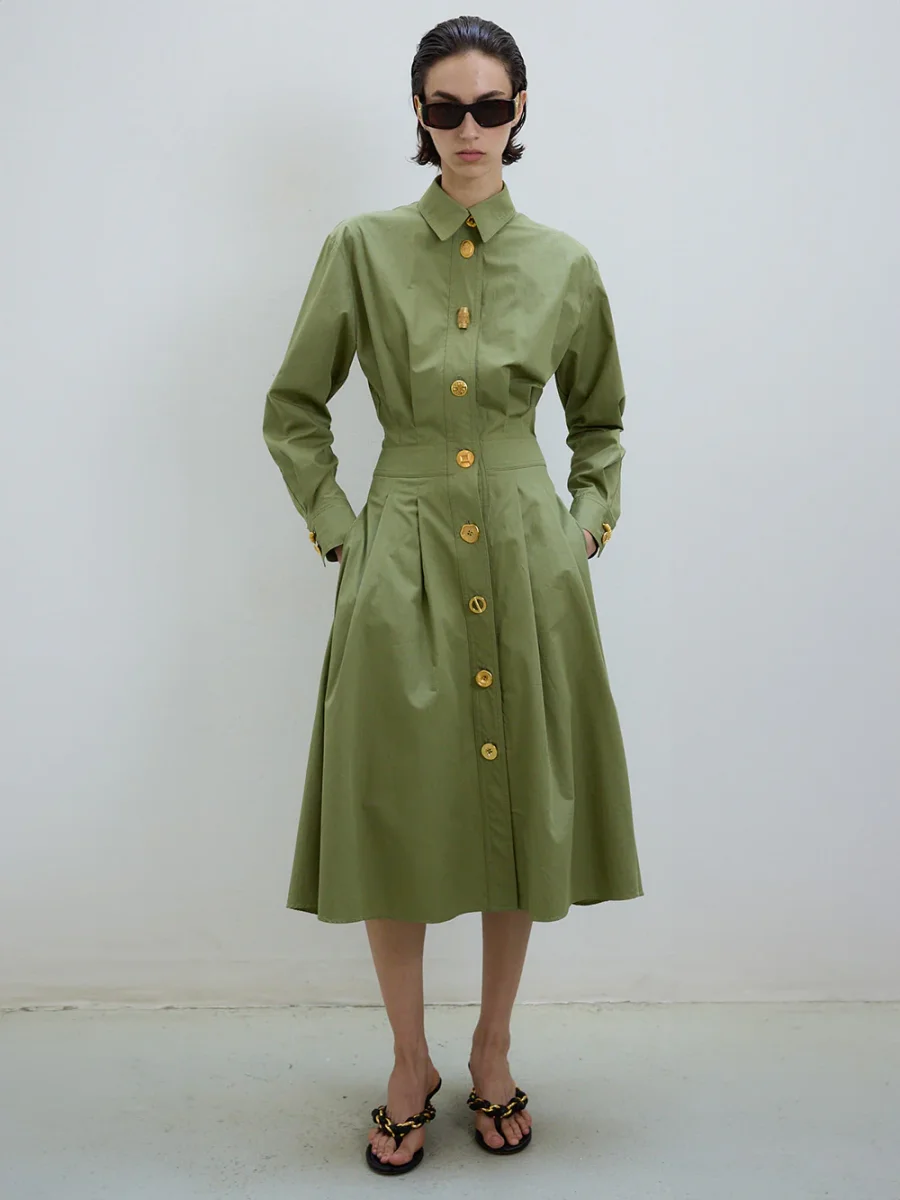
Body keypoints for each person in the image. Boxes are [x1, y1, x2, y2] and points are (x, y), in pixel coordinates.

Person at [261, 14, 644, 1177]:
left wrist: (585, 522)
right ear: (419, 118)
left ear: (519, 112)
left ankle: (492, 1047)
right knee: (397, 813)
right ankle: (406, 1058)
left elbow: (601, 423)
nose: (467, 129)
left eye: (488, 107)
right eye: (444, 108)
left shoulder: (566, 265)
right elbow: (294, 409)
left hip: (528, 562)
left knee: (517, 809)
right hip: (404, 556)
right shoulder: (362, 249)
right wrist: (343, 532)